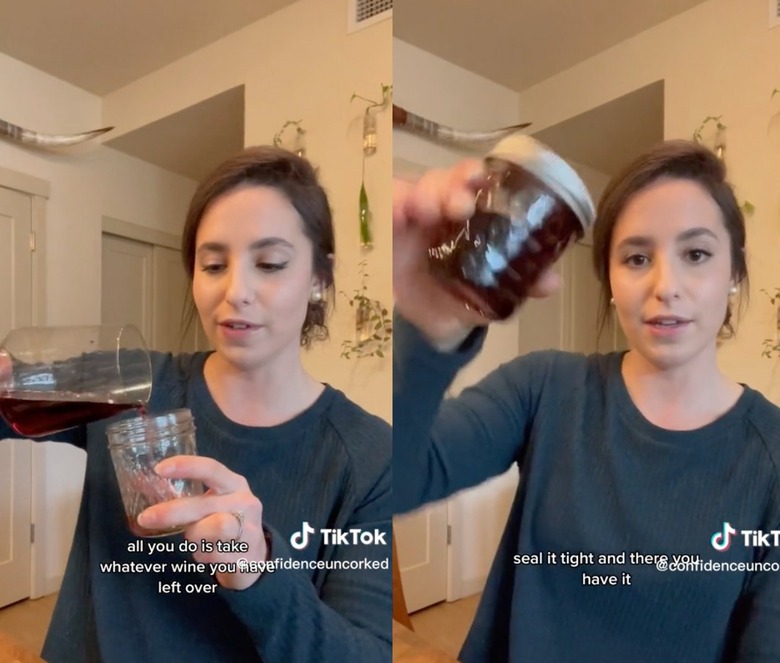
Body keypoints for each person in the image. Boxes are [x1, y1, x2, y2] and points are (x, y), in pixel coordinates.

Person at [393, 140, 780, 662]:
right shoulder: (546, 386)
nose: (666, 285)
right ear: (611, 281)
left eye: (696, 254)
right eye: (637, 257)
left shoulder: (770, 455)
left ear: (733, 273)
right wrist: (426, 330)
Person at [0, 146, 392, 662]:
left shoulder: (368, 454)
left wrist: (255, 572)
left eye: (270, 263)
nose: (236, 291)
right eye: (213, 264)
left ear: (320, 277)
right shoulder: (129, 382)